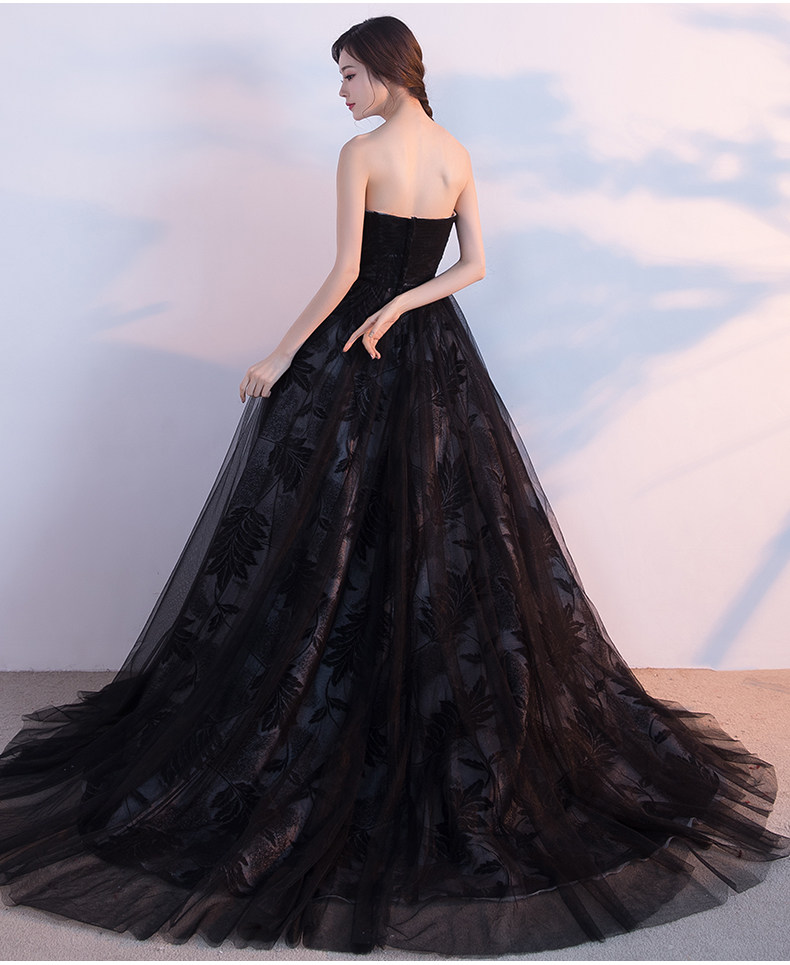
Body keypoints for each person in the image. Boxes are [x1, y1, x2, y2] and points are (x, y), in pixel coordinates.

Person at [0, 16, 786, 957]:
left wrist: (280, 352)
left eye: (346, 75)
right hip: (436, 357)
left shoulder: (361, 153)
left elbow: (344, 271)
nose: (339, 93)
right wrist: (413, 302)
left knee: (329, 529)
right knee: (436, 527)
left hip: (358, 351)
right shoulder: (455, 153)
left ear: (381, 71)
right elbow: (475, 266)